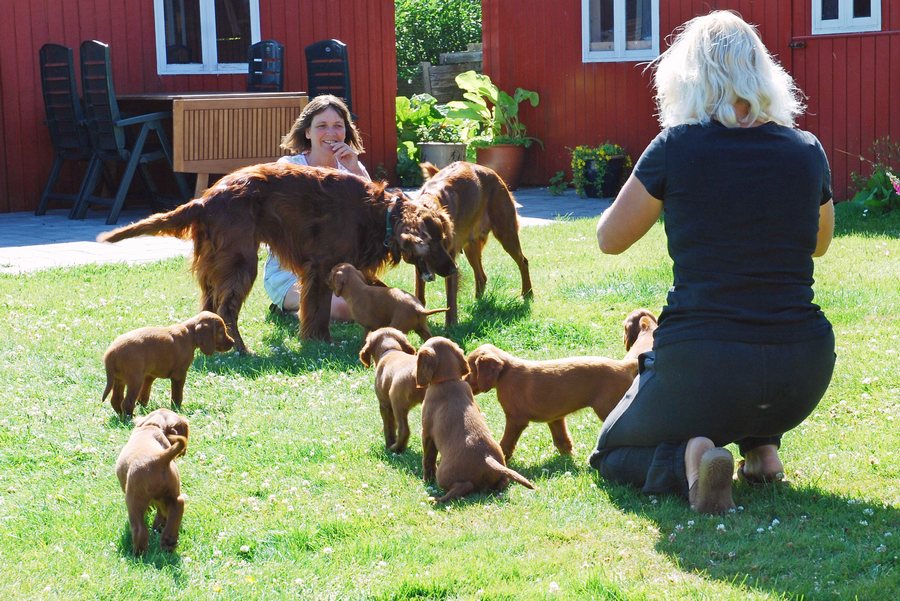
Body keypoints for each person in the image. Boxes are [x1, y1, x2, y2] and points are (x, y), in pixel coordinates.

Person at [588, 10, 836, 514]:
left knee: (610, 452)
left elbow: (609, 239)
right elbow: (819, 244)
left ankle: (693, 457)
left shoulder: (675, 147)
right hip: (801, 370)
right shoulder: (807, 150)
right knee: (756, 349)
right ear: (763, 74)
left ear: (685, 79)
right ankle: (762, 451)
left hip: (704, 368)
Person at [263, 94, 370, 321]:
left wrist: (355, 171)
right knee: (345, 309)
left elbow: (375, 217)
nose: (331, 133)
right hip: (292, 272)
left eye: (338, 126)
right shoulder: (289, 168)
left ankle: (306, 308)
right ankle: (295, 310)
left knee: (376, 304)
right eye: (322, 126)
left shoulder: (353, 168)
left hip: (342, 270)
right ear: (307, 132)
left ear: (346, 131)